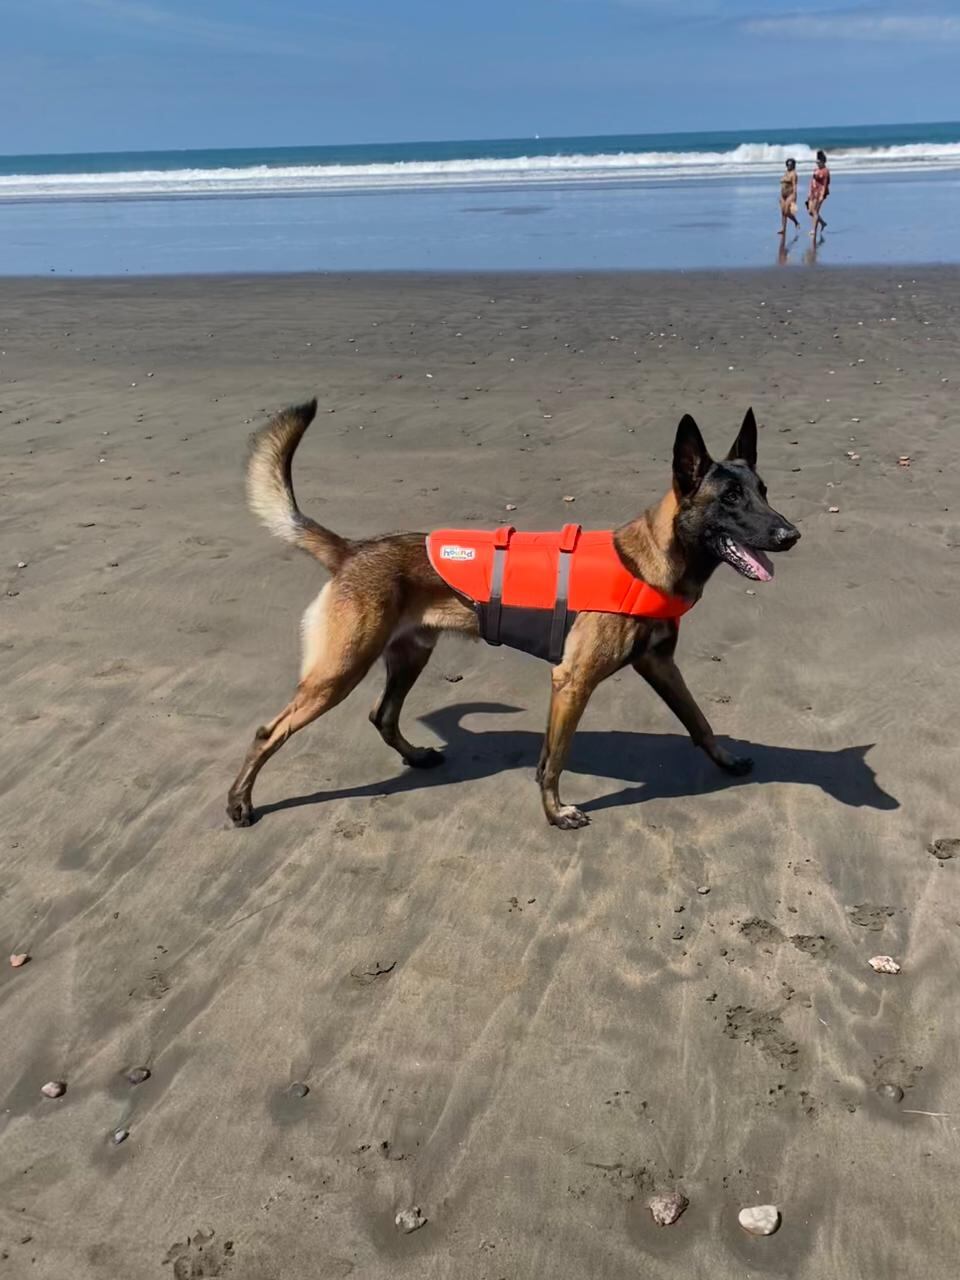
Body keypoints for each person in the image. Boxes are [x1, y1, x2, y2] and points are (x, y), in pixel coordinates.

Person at [807, 149, 830, 239]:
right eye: (816, 162)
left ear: (823, 162)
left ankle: (813, 230)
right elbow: (812, 180)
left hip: (820, 192)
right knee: (810, 211)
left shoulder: (825, 171)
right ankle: (823, 223)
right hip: (813, 191)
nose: (817, 163)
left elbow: (825, 184)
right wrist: (809, 192)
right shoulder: (815, 169)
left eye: (819, 162)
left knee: (815, 211)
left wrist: (821, 195)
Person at [779, 157, 799, 236]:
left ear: (793, 165)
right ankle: (783, 229)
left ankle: (796, 222)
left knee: (787, 212)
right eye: (788, 165)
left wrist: (795, 195)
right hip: (782, 195)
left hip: (790, 195)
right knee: (783, 213)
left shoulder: (794, 174)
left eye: (790, 165)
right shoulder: (786, 172)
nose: (789, 166)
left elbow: (794, 185)